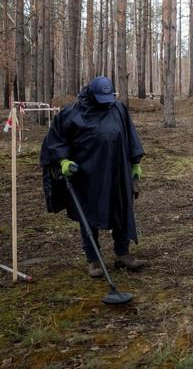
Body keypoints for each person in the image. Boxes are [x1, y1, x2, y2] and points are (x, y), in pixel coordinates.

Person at [40, 76, 145, 278]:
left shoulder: (118, 109)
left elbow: (130, 135)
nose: (105, 103)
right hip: (87, 176)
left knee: (122, 209)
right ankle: (93, 259)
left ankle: (122, 254)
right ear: (91, 94)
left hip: (118, 171)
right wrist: (63, 161)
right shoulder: (72, 114)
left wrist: (136, 163)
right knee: (88, 215)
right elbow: (55, 140)